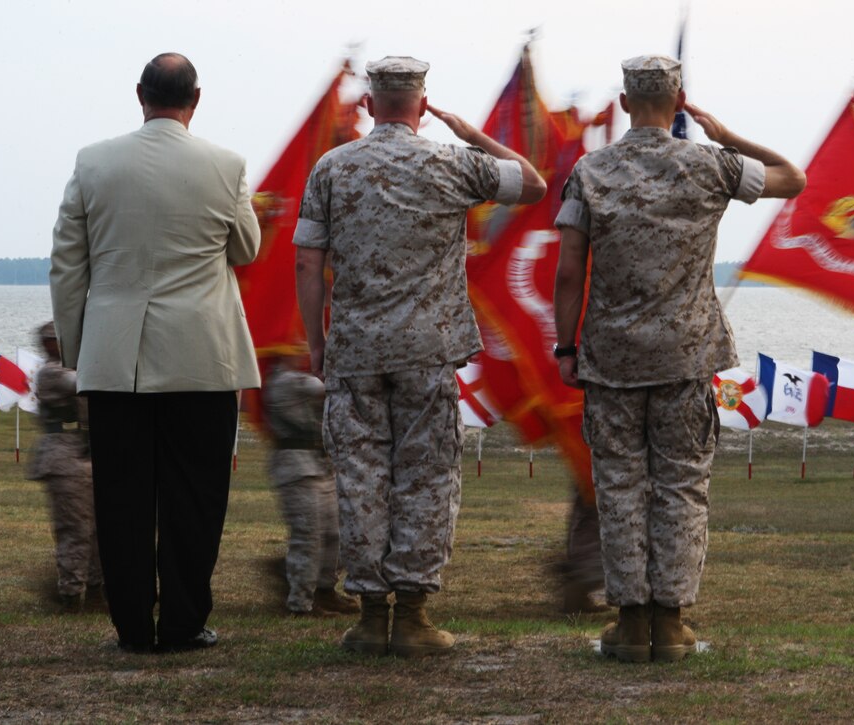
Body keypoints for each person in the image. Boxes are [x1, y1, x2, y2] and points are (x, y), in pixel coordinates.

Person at [552, 55, 806, 663]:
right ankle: (669, 624)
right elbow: (791, 177)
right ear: (681, 100)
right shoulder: (711, 165)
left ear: (622, 102)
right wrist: (724, 134)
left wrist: (566, 347)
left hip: (611, 358)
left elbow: (568, 273)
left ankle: (629, 624)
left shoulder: (591, 172)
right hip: (687, 357)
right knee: (681, 487)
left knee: (618, 487)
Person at [294, 56, 546, 657]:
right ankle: (412, 616)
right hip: (428, 351)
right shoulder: (452, 162)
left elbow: (307, 261)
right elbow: (531, 184)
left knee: (360, 480)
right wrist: (468, 132)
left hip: (355, 351)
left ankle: (369, 614)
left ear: (372, 102)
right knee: (426, 480)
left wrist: (316, 343)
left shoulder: (333, 167)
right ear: (422, 100)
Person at [50, 52, 261, 654]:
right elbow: (245, 249)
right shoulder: (226, 164)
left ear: (139, 93)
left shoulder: (93, 163)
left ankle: (132, 627)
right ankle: (185, 621)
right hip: (203, 355)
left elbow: (68, 266)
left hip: (116, 358)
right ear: (197, 99)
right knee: (195, 495)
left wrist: (77, 349)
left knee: (121, 497)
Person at [263, 353, 358, 617]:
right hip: (296, 469)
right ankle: (300, 603)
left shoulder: (301, 377)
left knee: (335, 534)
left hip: (319, 465)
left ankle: (325, 591)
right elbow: (327, 387)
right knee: (309, 537)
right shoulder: (283, 380)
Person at [26, 321, 102, 613]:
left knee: (97, 529)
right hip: (64, 458)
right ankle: (70, 595)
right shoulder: (51, 373)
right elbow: (85, 382)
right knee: (75, 529)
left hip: (84, 452)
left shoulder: (70, 367)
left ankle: (97, 592)